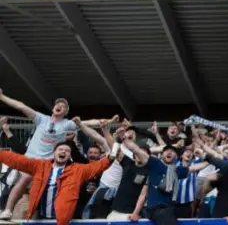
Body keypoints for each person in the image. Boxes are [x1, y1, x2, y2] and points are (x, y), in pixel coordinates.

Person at [0, 89, 116, 220]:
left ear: (66, 112)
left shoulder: (67, 124)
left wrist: (109, 121)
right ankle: (8, 209)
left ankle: (52, 214)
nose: (60, 106)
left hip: (47, 164)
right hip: (32, 160)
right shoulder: (41, 119)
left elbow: (90, 122)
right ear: (53, 108)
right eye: (58, 104)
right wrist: (2, 97)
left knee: (49, 188)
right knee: (25, 179)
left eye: (64, 106)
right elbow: (21, 106)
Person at [0, 140, 114, 225]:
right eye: (60, 149)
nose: (63, 151)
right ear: (54, 153)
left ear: (70, 156)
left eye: (67, 151)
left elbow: (97, 166)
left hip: (63, 220)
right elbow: (17, 160)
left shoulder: (78, 169)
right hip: (40, 217)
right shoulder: (40, 165)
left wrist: (111, 156)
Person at [122, 138, 202, 225]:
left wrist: (211, 159)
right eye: (166, 150)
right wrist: (135, 213)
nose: (169, 152)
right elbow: (136, 149)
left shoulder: (177, 170)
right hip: (156, 209)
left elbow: (193, 168)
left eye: (172, 151)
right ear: (161, 154)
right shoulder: (154, 164)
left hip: (170, 209)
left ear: (176, 157)